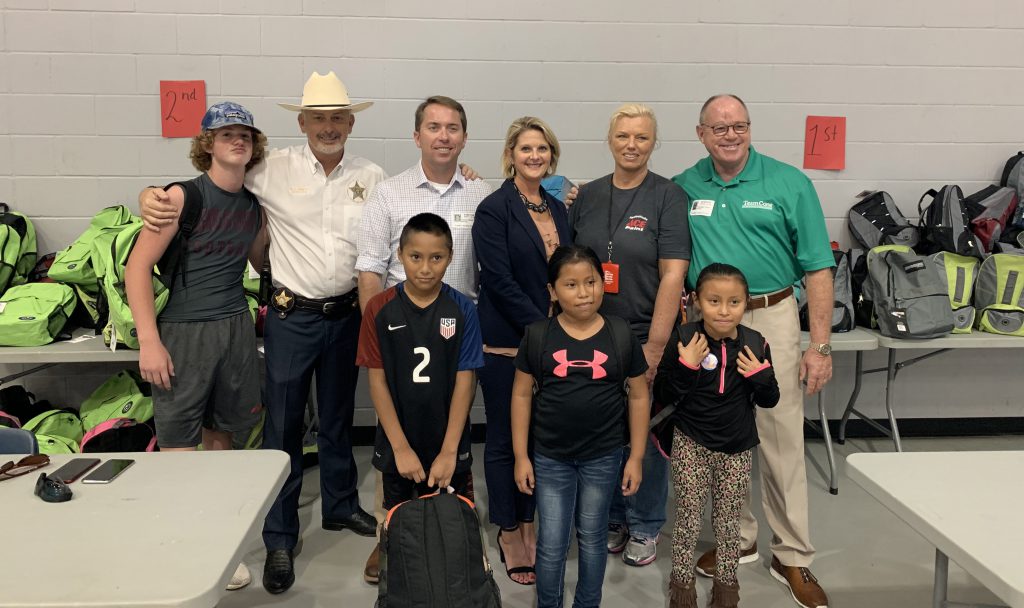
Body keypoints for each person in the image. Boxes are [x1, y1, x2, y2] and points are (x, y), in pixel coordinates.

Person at [139, 72, 384, 594]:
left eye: (338, 117)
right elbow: (207, 179)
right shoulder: (268, 168)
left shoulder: (373, 174)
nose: (328, 126)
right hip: (291, 318)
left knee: (340, 418)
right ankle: (279, 533)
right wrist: (151, 194)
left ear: (351, 122)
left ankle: (340, 506)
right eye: (318, 118)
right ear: (302, 122)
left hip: (345, 317)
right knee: (284, 427)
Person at [673, 93, 834, 608]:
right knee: (719, 429)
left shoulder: (789, 183)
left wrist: (821, 345)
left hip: (770, 314)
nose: (729, 135)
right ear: (701, 133)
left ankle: (793, 556)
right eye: (718, 127)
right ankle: (736, 540)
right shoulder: (683, 186)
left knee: (781, 433)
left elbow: (817, 269)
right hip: (707, 320)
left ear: (750, 129)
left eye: (738, 125)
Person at [125, 101, 268, 592]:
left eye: (245, 135)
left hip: (235, 328)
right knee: (180, 447)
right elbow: (137, 267)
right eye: (226, 133)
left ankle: (219, 545)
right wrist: (149, 341)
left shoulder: (252, 205)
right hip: (183, 333)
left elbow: (261, 259)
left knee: (223, 437)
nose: (238, 141)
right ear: (207, 143)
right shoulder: (180, 198)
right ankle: (180, 544)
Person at [354, 95, 490, 583]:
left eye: (453, 127)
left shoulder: (479, 193)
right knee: (397, 457)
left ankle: (456, 540)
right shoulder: (389, 194)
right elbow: (370, 266)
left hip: (455, 332)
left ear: (464, 136)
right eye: (433, 126)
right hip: (399, 331)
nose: (443, 135)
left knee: (450, 457)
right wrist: (380, 326)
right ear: (417, 136)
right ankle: (388, 542)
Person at [569, 103, 690, 567]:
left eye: (642, 137)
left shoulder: (668, 197)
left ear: (653, 143)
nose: (631, 145)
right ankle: (614, 517)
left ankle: (644, 524)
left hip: (645, 335)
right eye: (623, 136)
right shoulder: (589, 196)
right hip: (593, 334)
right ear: (610, 140)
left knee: (649, 437)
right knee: (606, 433)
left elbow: (673, 276)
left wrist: (655, 348)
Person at [511, 245, 650, 608]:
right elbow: (522, 396)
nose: (584, 292)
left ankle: (588, 602)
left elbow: (637, 396)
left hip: (603, 457)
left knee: (592, 537)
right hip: (550, 457)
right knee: (553, 541)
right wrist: (520, 457)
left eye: (591, 282)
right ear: (553, 292)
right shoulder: (538, 335)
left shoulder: (621, 334)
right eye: (571, 285)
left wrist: (635, 456)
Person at [472, 116, 571, 586]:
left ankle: (531, 521)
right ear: (511, 154)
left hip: (555, 340)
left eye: (543, 149)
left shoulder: (557, 207)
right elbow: (497, 278)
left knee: (540, 437)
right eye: (526, 149)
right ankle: (508, 529)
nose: (535, 156)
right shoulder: (494, 209)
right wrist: (541, 329)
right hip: (510, 342)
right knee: (502, 440)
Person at [654, 263, 780, 608]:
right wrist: (686, 365)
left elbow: (770, 399)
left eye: (734, 302)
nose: (724, 311)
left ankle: (727, 587)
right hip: (691, 442)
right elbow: (664, 391)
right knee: (688, 517)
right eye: (714, 301)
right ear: (697, 301)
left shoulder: (756, 343)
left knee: (728, 521)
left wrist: (761, 377)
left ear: (746, 303)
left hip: (736, 448)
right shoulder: (684, 338)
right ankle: (681, 586)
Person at [356, 213, 483, 515]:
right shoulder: (379, 308)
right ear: (399, 255)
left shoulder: (463, 308)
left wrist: (450, 450)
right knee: (397, 522)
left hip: (448, 440)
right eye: (415, 257)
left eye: (436, 257)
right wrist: (400, 448)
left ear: (450, 257)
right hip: (398, 439)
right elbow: (377, 381)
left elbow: (466, 381)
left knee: (452, 519)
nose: (425, 268)